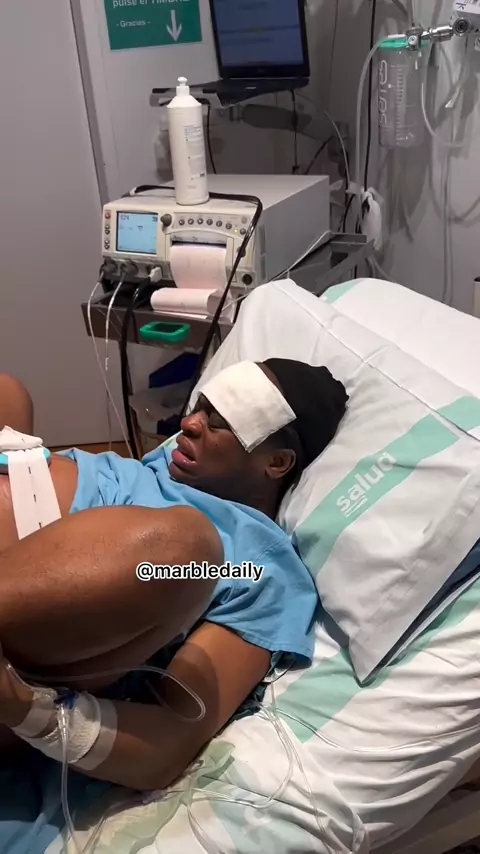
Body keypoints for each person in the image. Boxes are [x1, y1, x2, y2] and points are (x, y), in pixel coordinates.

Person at [0, 360, 348, 792]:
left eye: (218, 423)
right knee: (7, 393)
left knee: (183, 548)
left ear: (276, 462)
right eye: (198, 407)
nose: (187, 424)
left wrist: (22, 706)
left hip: (24, 641)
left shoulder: (260, 565)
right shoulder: (160, 469)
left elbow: (170, 737)